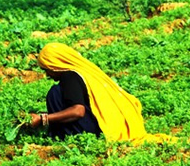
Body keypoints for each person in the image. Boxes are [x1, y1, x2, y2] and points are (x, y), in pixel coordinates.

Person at [30, 43, 173, 144]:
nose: (47, 74)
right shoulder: (84, 72)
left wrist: (44, 119)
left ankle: (66, 136)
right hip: (102, 124)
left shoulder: (69, 76)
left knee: (55, 92)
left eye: (46, 69)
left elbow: (78, 111)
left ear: (55, 65)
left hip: (93, 130)